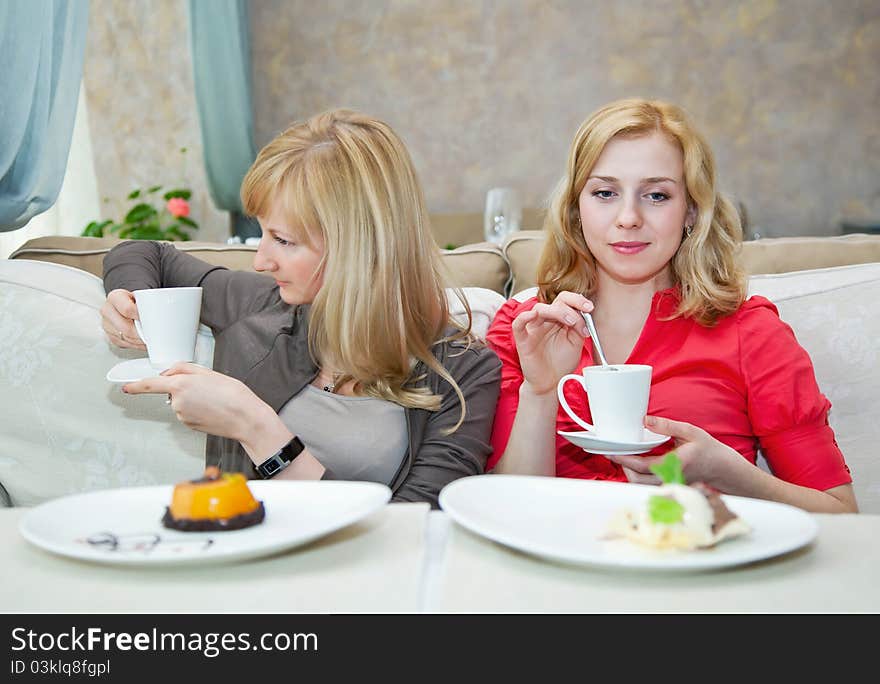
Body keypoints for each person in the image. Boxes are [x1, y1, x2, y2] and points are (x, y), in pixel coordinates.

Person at [101, 109, 501, 508]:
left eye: (283, 240)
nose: (260, 261)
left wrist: (257, 430)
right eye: (261, 233)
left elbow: (416, 526)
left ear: (358, 247)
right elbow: (145, 253)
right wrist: (130, 299)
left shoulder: (462, 371)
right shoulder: (262, 306)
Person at [486, 98, 857, 513]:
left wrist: (727, 473)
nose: (628, 217)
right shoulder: (526, 329)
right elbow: (508, 509)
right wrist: (539, 393)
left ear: (691, 211)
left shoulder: (750, 332)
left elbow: (840, 513)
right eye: (605, 192)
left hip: (696, 568)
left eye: (657, 195)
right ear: (576, 210)